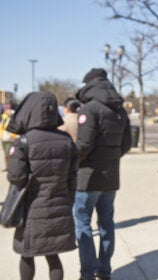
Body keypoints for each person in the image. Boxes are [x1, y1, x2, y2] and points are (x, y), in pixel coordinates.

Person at [6, 91, 78, 280]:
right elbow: (72, 176)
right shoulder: (67, 140)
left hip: (31, 209)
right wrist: (68, 200)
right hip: (59, 204)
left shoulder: (24, 141)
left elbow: (16, 177)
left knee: (27, 254)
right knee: (53, 255)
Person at [73, 68, 132, 280]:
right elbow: (126, 144)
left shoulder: (89, 109)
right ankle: (104, 270)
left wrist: (72, 162)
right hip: (110, 178)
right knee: (106, 224)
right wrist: (110, 158)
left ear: (88, 86)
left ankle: (87, 273)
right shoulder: (121, 111)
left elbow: (84, 145)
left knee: (83, 224)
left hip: (87, 178)